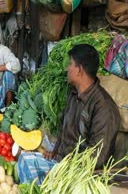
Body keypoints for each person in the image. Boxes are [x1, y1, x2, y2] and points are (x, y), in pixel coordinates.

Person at [17, 44, 120, 185]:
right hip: (62, 162)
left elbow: (98, 157)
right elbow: (64, 128)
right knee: (25, 160)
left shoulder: (103, 107)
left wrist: (62, 172)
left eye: (70, 64)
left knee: (37, 180)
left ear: (80, 70)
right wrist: (55, 151)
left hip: (80, 173)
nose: (67, 68)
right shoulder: (73, 93)